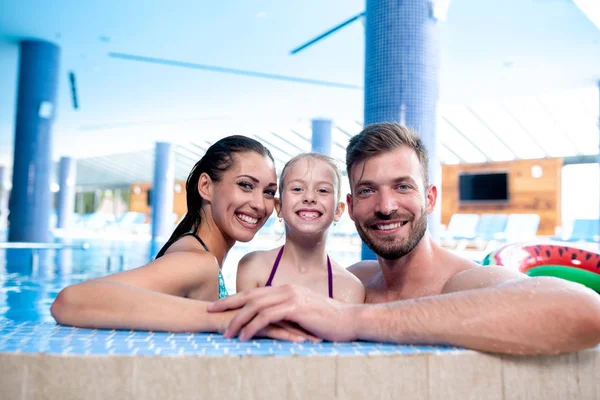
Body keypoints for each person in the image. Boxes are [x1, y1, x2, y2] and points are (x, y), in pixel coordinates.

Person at [208, 123, 600, 355]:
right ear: (351, 204)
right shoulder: (354, 280)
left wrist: (350, 319)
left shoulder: (460, 283)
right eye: (367, 191)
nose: (385, 206)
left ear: (429, 198)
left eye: (402, 186)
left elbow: (585, 311)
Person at [50, 135, 315, 342]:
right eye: (245, 185)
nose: (259, 204)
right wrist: (224, 318)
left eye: (268, 192)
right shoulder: (196, 262)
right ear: (206, 187)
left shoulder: (202, 255)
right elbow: (70, 300)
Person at [236, 153, 364, 303]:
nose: (309, 197)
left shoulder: (349, 288)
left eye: (323, 190)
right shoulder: (253, 267)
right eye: (297, 189)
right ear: (279, 206)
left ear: (338, 210)